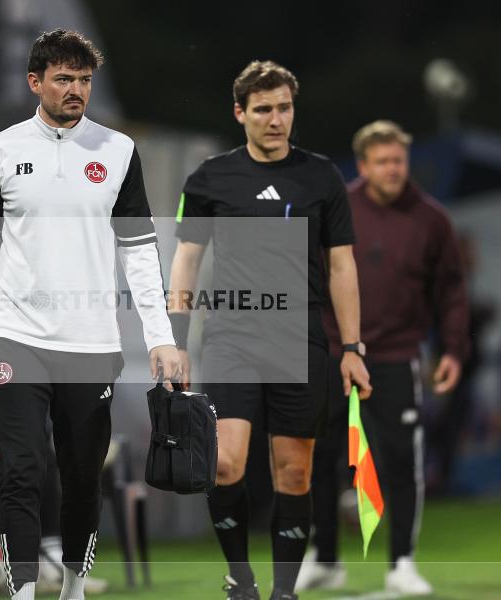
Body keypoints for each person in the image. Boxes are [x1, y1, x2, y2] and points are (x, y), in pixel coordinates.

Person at [0, 29, 180, 600]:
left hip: (90, 342)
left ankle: (73, 587)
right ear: (35, 82)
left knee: (80, 476)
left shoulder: (118, 150)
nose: (76, 90)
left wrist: (161, 337)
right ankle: (22, 591)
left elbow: (140, 249)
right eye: (64, 79)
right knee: (21, 470)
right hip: (12, 336)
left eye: (84, 80)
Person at [168, 60, 371, 600]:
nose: (276, 119)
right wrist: (174, 336)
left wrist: (352, 346)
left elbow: (343, 266)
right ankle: (241, 576)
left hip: (299, 339)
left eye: (284, 108)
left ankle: (284, 591)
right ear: (240, 114)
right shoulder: (211, 177)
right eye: (263, 110)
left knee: (294, 473)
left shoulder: (322, 176)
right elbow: (186, 258)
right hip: (230, 337)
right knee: (226, 463)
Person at [301, 120, 469, 595]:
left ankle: (402, 563)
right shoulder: (335, 211)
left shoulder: (432, 219)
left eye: (399, 160)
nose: (393, 169)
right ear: (364, 165)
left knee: (400, 462)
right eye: (383, 161)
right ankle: (327, 558)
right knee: (322, 459)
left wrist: (455, 348)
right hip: (333, 354)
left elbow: (452, 290)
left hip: (395, 356)